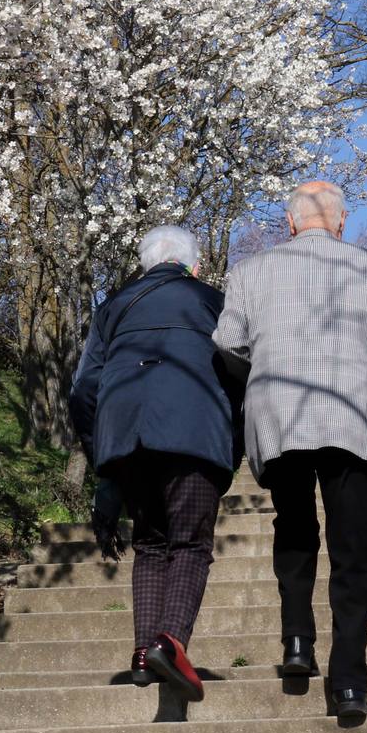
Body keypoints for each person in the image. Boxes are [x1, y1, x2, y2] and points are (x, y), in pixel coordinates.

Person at [212, 180, 367, 723]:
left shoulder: (250, 271)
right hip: (349, 417)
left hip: (278, 416)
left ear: (289, 224)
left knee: (295, 527)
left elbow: (227, 341)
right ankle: (349, 682)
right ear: (341, 222)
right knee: (352, 550)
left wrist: (261, 372)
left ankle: (297, 643)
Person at [70, 225, 244, 702]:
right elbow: (239, 371)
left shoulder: (113, 307)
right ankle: (171, 642)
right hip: (193, 435)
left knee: (149, 545)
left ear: (144, 264)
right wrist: (235, 441)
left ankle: (144, 654)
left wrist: (101, 452)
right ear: (196, 265)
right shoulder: (215, 301)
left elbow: (84, 389)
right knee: (189, 545)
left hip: (127, 437)